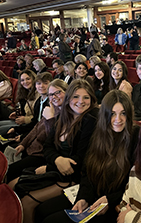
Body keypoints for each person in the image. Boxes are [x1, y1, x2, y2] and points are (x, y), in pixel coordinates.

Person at [35, 90, 139, 223]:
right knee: (42, 210)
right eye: (112, 114)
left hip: (116, 203)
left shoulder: (136, 137)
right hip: (93, 195)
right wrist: (83, 198)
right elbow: (87, 171)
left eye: (123, 113)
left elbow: (134, 184)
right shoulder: (98, 134)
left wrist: (110, 199)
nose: (118, 119)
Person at [17, 79, 98, 223]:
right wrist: (56, 160)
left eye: (86, 97)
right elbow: (48, 147)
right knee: (16, 186)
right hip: (58, 170)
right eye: (76, 96)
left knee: (27, 203)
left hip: (72, 178)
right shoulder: (63, 117)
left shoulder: (90, 120)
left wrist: (50, 165)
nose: (81, 101)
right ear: (69, 99)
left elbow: (80, 160)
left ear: (92, 100)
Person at [6, 79, 68, 188]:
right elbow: (36, 128)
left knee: (10, 171)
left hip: (42, 155)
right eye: (51, 94)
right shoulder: (50, 108)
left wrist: (50, 119)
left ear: (67, 92)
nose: (54, 97)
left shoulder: (66, 114)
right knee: (5, 152)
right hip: (31, 148)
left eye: (58, 92)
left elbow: (54, 141)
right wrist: (23, 144)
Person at [0, 70, 39, 135]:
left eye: (28, 79)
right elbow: (24, 110)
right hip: (22, 120)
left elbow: (38, 118)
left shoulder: (38, 94)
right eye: (22, 80)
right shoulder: (24, 92)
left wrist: (25, 119)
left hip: (29, 125)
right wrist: (17, 113)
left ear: (33, 79)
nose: (25, 82)